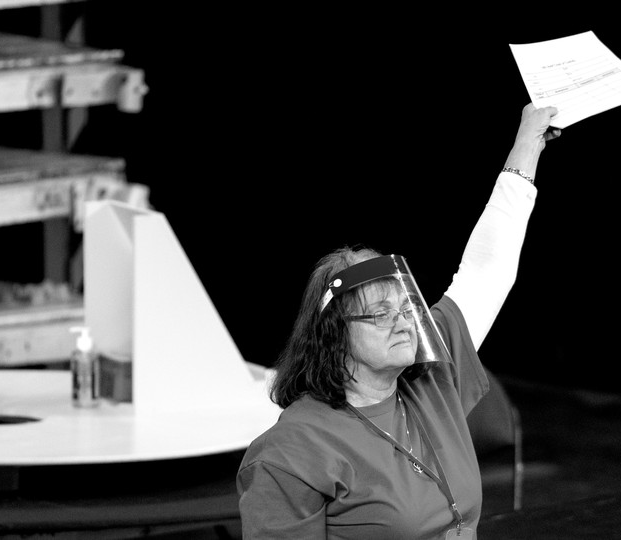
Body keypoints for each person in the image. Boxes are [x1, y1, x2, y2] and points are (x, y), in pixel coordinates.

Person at [237, 103, 561, 539]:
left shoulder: (432, 374)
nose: (406, 322)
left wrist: (528, 143)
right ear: (334, 334)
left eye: (408, 308)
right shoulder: (291, 452)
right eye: (381, 314)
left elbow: (489, 267)